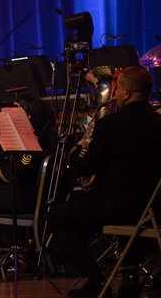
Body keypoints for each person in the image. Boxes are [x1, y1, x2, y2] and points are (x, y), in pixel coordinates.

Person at [46, 66, 161, 297]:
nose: (115, 94)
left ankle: (97, 280)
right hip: (156, 208)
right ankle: (129, 275)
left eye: (117, 90)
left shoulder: (111, 124)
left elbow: (85, 165)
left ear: (126, 92)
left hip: (122, 207)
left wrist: (77, 149)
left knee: (57, 216)